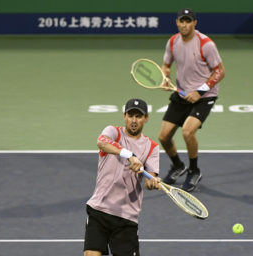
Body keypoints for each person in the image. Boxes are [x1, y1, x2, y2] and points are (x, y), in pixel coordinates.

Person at [159, 8, 225, 192]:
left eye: (188, 21)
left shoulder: (206, 44)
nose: (184, 24)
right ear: (177, 22)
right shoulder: (173, 42)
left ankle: (194, 170)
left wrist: (200, 91)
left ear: (195, 23)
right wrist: (166, 77)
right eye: (182, 21)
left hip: (204, 96)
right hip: (181, 94)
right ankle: (178, 166)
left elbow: (220, 71)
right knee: (164, 137)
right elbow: (166, 65)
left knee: (188, 132)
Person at [84, 98, 161, 256]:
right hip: (100, 209)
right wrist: (130, 155)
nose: (134, 120)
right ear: (124, 116)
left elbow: (149, 180)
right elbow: (102, 142)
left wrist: (153, 181)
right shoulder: (113, 132)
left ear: (146, 118)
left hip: (127, 217)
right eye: (130, 115)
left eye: (138, 116)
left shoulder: (152, 147)